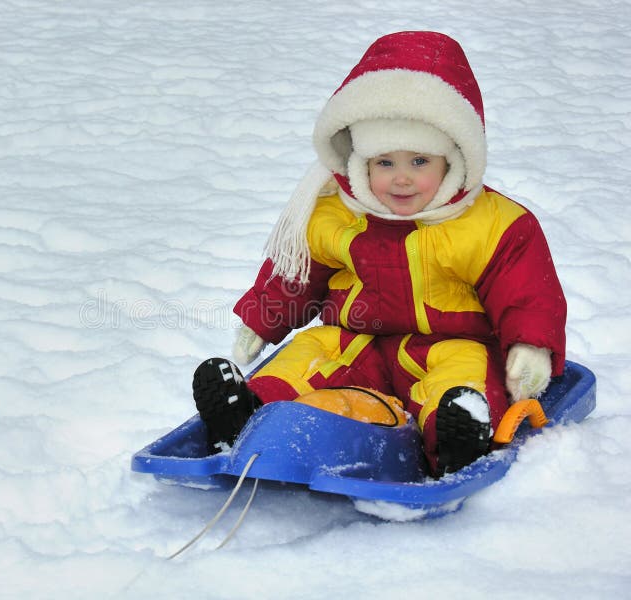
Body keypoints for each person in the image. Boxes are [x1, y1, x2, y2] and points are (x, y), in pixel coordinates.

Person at [191, 31, 566, 477]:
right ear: (360, 162)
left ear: (454, 159)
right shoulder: (336, 213)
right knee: (310, 354)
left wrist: (529, 346)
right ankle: (247, 414)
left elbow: (526, 291)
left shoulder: (490, 223)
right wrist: (263, 318)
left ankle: (457, 435)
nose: (401, 179)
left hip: (448, 344)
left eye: (419, 162)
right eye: (385, 162)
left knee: (462, 375)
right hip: (356, 341)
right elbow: (296, 273)